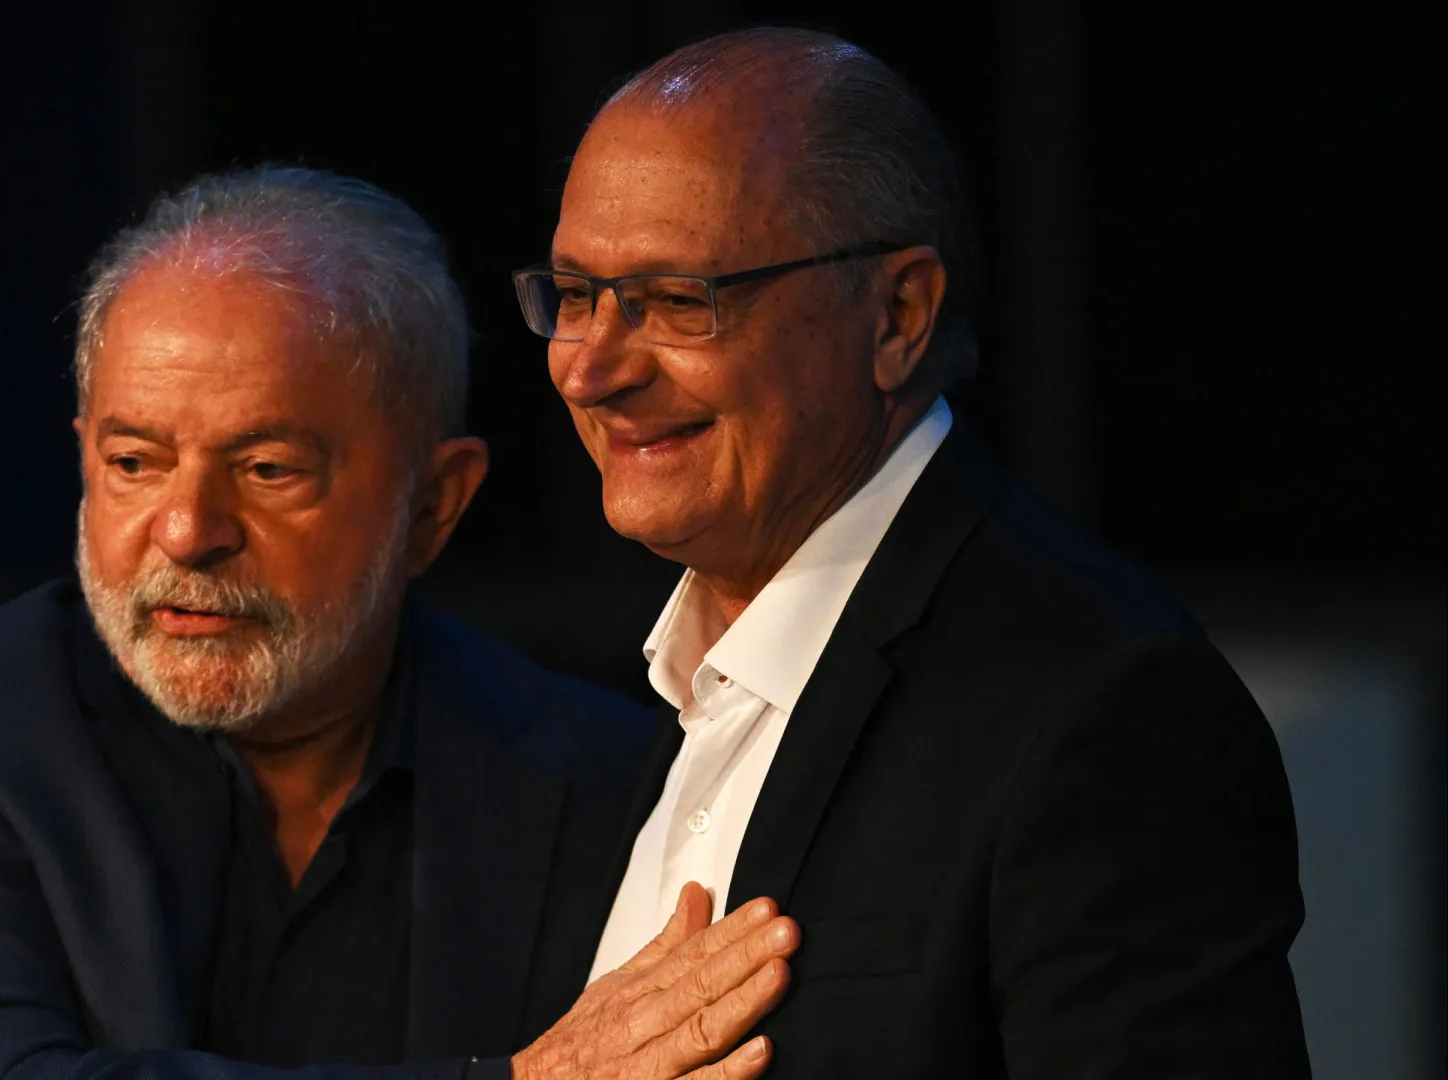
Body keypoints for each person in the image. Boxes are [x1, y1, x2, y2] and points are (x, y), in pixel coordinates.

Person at [0, 166, 799, 1080]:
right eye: (134, 462)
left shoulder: (613, 784)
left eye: (266, 469)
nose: (186, 531)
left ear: (434, 506)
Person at [516, 28, 1311, 1078]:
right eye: (576, 296)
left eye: (676, 302)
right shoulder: (649, 709)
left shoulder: (1099, 706)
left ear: (898, 315)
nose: (590, 370)